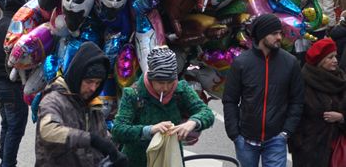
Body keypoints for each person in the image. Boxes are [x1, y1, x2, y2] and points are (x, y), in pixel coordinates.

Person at [223, 14, 304, 167]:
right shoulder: (241, 63)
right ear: (261, 35)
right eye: (274, 33)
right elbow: (230, 100)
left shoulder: (290, 63)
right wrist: (234, 134)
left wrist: (286, 132)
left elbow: (297, 100)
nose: (279, 37)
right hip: (245, 139)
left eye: (280, 33)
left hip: (276, 139)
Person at [112, 46, 215, 167]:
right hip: (137, 161)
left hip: (171, 160)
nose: (166, 88)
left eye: (170, 82)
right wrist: (150, 130)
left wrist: (193, 122)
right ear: (150, 78)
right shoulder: (134, 94)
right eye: (160, 83)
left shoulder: (180, 90)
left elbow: (206, 113)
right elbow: (118, 130)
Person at [35, 41, 128, 167]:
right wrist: (90, 139)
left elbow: (103, 138)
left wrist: (115, 154)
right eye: (89, 81)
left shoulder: (92, 103)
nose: (93, 88)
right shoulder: (54, 100)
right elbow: (48, 131)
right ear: (77, 75)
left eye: (97, 83)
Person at [288, 38, 346, 166]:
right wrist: (299, 144)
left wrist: (341, 117)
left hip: (337, 150)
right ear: (320, 61)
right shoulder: (303, 82)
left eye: (335, 56)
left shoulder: (341, 81)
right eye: (330, 57)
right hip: (309, 151)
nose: (335, 61)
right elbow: (294, 114)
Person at [0, 0, 29, 167]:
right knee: (15, 127)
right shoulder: (17, 28)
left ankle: (5, 159)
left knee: (7, 123)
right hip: (12, 84)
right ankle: (8, 162)